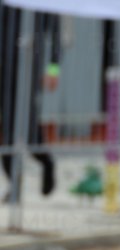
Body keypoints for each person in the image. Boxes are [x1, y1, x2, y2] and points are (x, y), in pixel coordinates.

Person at [0, 2, 61, 201]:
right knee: (7, 131)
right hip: (4, 67)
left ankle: (47, 163)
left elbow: (55, 31)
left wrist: (53, 68)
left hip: (28, 67)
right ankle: (14, 185)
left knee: (30, 130)